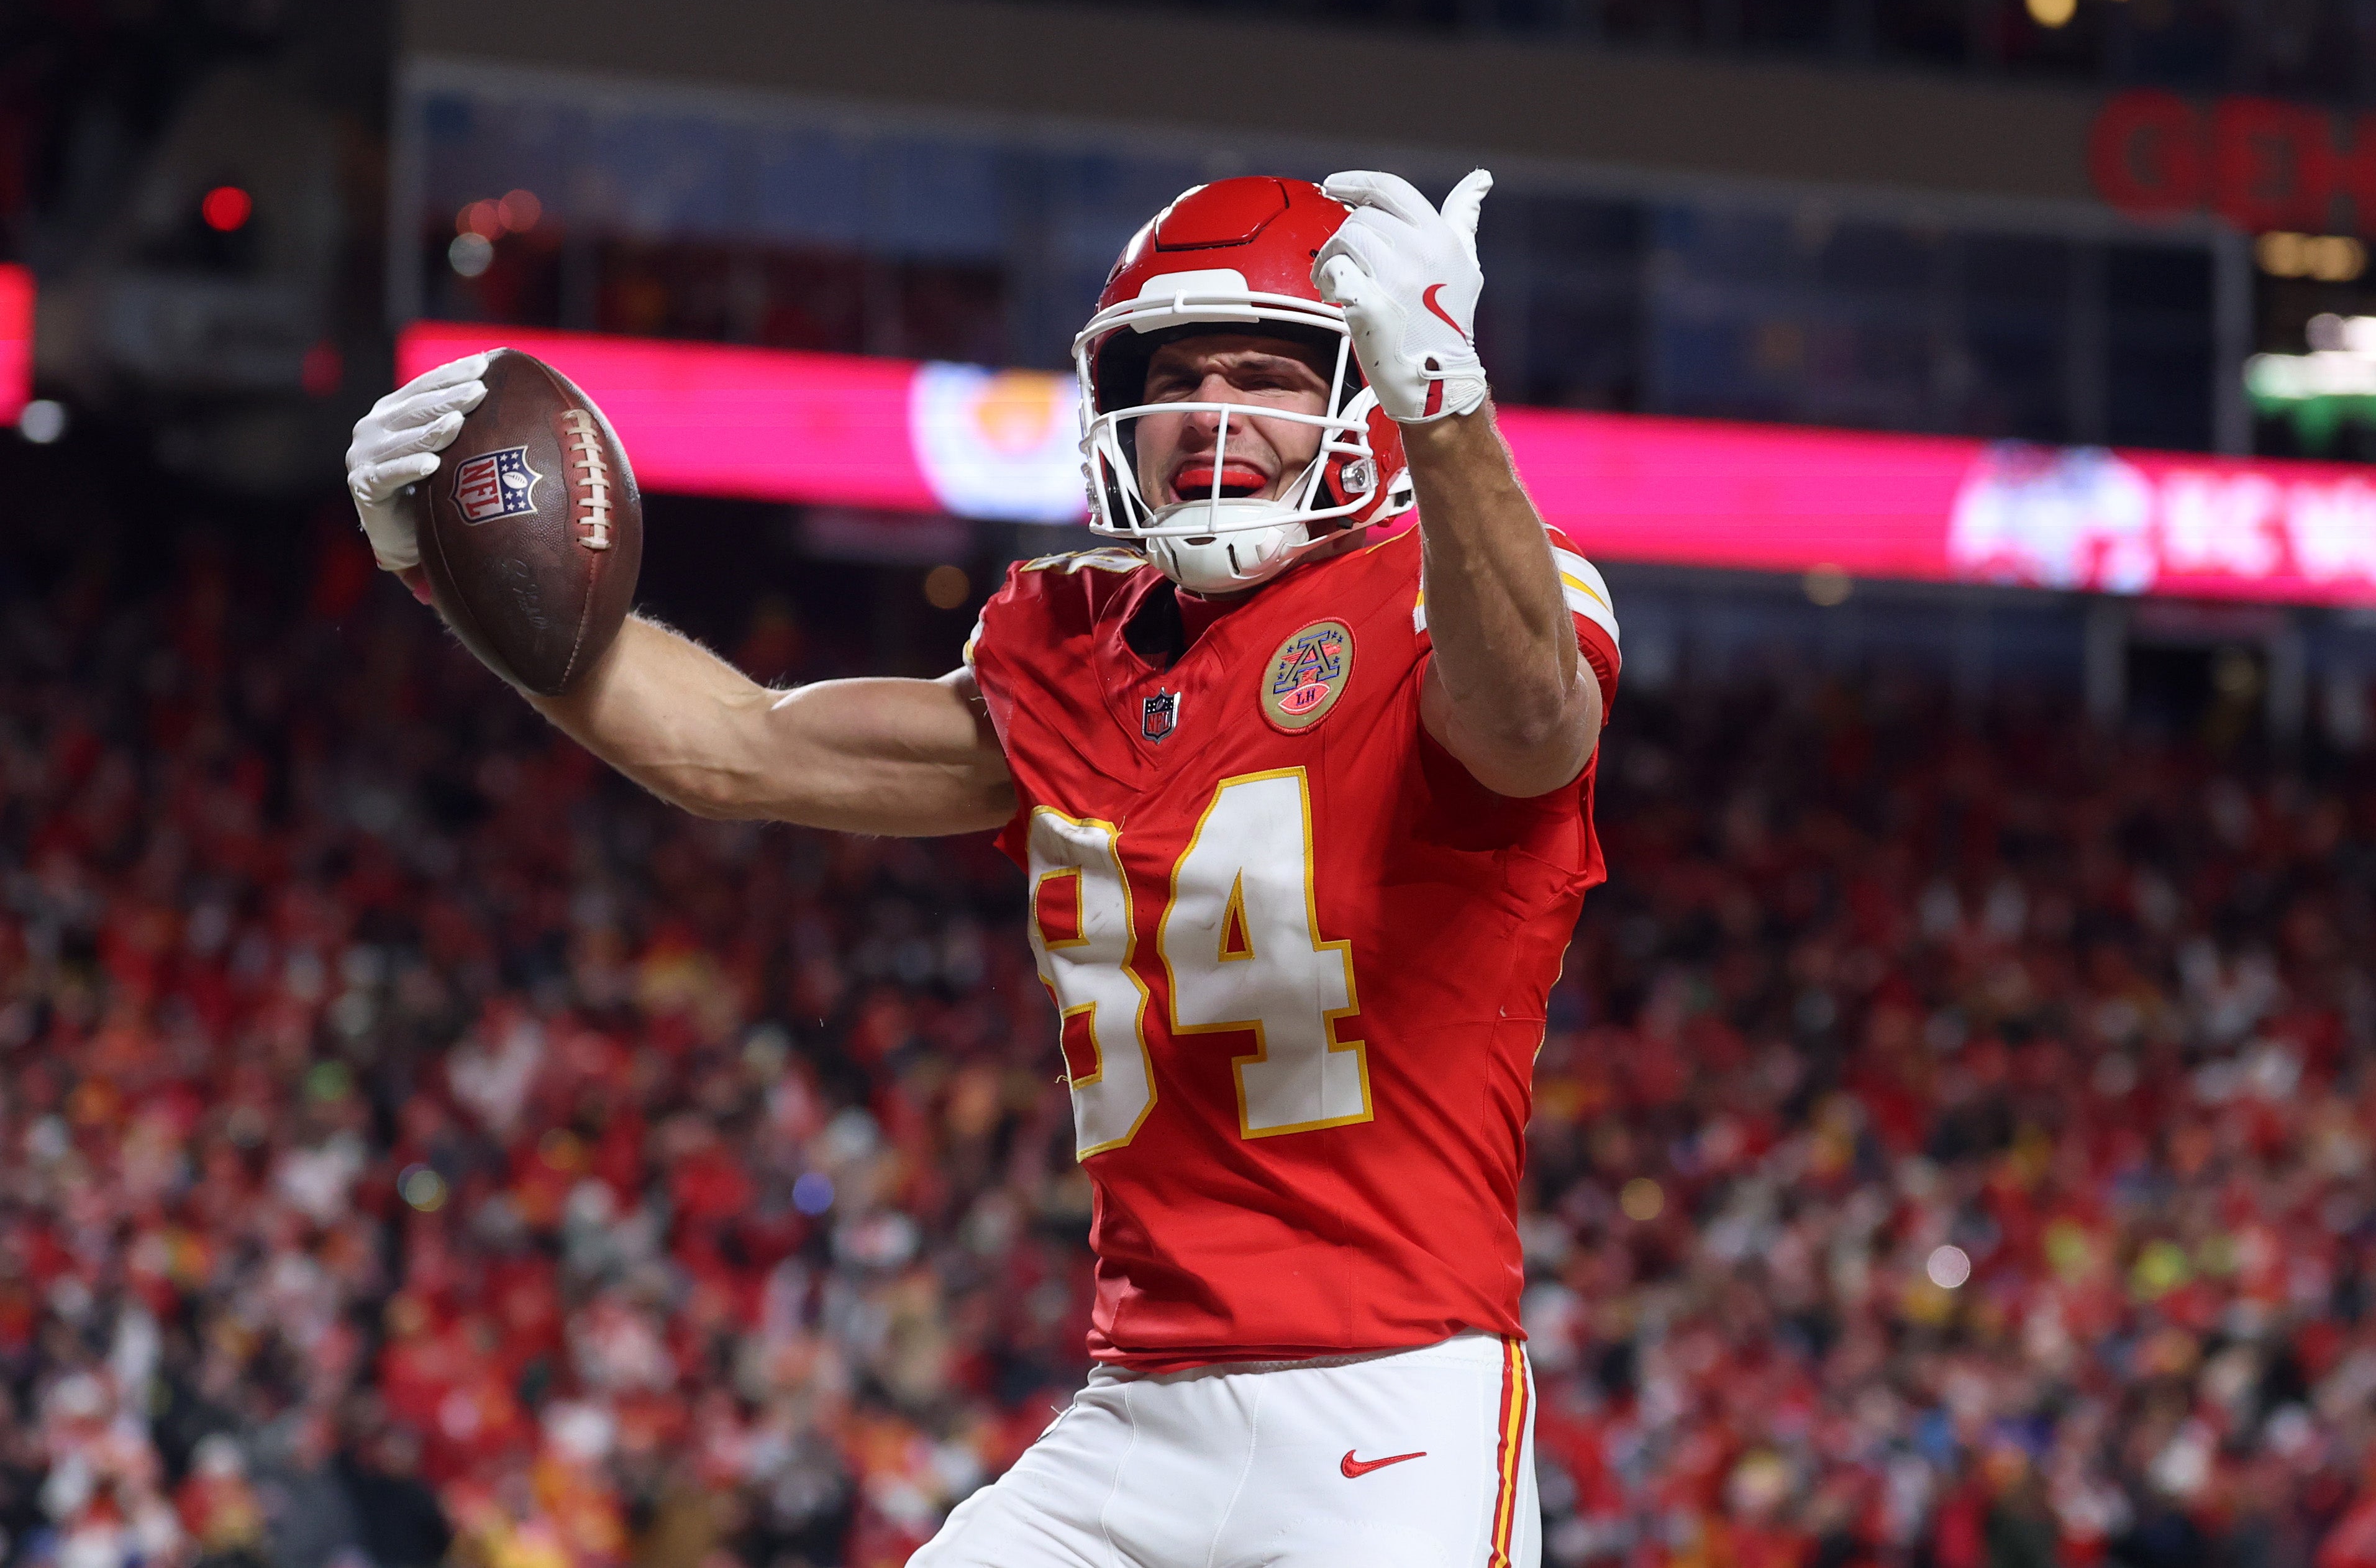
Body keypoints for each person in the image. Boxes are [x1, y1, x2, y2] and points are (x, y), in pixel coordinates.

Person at [346, 170, 1621, 1568]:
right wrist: (462, 577)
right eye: (1174, 374)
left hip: (1391, 1414)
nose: (1208, 412)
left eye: (1264, 374)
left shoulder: (1462, 593)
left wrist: (1452, 405)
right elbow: (730, 747)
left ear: (1365, 390)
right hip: (1137, 1417)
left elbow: (1530, 724)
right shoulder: (1065, 650)